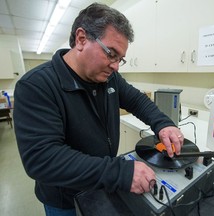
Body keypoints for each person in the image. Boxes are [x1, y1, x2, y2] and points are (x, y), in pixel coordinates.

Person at [13, 3, 184, 216]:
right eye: (111, 53)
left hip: (103, 183)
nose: (116, 66)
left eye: (120, 58)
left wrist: (163, 124)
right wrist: (119, 172)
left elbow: (138, 101)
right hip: (66, 200)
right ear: (82, 39)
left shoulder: (109, 78)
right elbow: (43, 159)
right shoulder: (36, 85)